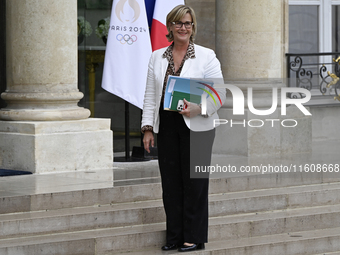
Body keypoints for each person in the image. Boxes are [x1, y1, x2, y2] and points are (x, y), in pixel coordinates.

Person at [141, 5, 226, 253]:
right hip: (167, 125)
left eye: (187, 24)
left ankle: (194, 237)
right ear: (170, 26)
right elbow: (149, 95)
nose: (183, 28)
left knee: (195, 183)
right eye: (178, 23)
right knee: (171, 183)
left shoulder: (206, 55)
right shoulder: (157, 57)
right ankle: (175, 236)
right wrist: (147, 128)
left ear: (193, 27)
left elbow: (219, 93)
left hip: (198, 125)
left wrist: (198, 108)